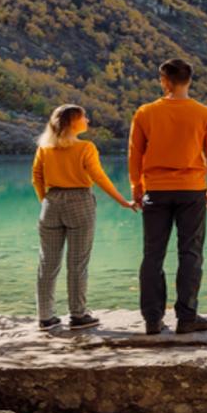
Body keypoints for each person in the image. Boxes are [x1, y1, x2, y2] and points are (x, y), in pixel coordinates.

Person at [128, 58, 207, 335]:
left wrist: (137, 187)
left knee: (152, 254)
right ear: (189, 80)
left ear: (164, 81)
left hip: (156, 191)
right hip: (192, 191)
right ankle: (187, 318)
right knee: (191, 254)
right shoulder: (205, 113)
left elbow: (135, 154)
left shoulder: (146, 112)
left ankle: (152, 319)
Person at [31, 104, 138, 331]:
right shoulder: (86, 147)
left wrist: (46, 201)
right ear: (73, 123)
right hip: (79, 202)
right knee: (77, 263)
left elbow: (36, 177)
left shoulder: (44, 147)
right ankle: (78, 315)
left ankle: (45, 317)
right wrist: (122, 201)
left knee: (47, 262)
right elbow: (99, 177)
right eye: (84, 117)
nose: (87, 120)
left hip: (51, 203)